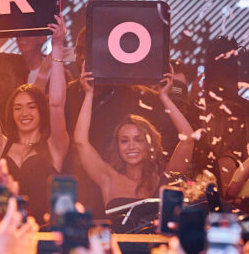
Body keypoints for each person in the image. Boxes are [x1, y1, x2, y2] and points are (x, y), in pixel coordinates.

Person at [0, 16, 70, 220]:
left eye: (31, 107)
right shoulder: (0, 146)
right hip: (4, 233)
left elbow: (56, 104)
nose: (24, 113)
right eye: (17, 108)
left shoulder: (54, 147)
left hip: (43, 235)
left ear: (40, 111)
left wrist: (58, 46)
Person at [74, 67, 197, 214]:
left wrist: (164, 96)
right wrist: (89, 93)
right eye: (124, 141)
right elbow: (81, 141)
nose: (131, 146)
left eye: (139, 140)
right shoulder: (108, 178)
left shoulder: (167, 177)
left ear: (149, 144)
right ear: (117, 146)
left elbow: (188, 139)